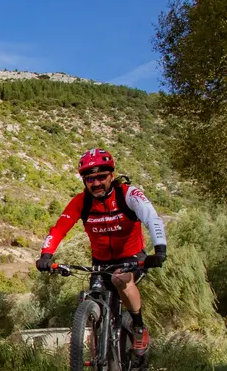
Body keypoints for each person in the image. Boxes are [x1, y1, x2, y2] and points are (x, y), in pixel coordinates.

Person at [35, 149, 167, 353]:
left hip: (132, 257)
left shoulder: (128, 194)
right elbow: (59, 228)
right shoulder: (82, 201)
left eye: (101, 177)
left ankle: (139, 326)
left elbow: (152, 218)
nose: (95, 183)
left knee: (119, 279)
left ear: (111, 176)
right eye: (89, 179)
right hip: (101, 260)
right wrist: (46, 255)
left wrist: (159, 250)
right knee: (94, 301)